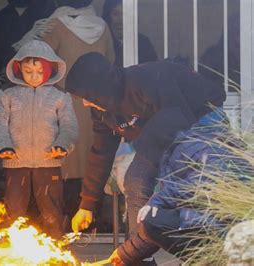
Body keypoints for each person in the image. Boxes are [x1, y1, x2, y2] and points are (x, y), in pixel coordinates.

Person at [66, 52, 226, 262]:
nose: (85, 104)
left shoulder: (147, 80)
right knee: (135, 180)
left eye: (87, 96)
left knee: (154, 181)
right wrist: (87, 204)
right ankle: (138, 257)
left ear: (100, 89)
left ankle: (198, 254)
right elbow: (101, 152)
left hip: (200, 119)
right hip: (162, 131)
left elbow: (178, 121)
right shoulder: (102, 110)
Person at [106, 110, 251, 265]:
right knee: (155, 219)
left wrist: (159, 200)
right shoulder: (176, 151)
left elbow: (201, 184)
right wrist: (126, 253)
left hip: (229, 231)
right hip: (217, 227)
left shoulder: (194, 146)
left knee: (153, 220)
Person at [13, 0, 114, 182]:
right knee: (93, 163)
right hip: (98, 104)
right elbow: (111, 63)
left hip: (63, 104)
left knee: (62, 166)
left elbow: (35, 64)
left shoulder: (53, 26)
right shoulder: (103, 27)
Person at [0, 40, 78, 237]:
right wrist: (3, 146)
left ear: (50, 70)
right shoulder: (7, 95)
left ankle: (56, 248)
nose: (34, 77)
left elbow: (69, 126)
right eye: (28, 71)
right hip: (15, 162)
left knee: (52, 210)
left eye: (39, 72)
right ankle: (9, 250)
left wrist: (62, 145)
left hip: (49, 162)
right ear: (18, 68)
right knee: (13, 209)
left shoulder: (60, 96)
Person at [102, 0, 158, 67]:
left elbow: (154, 70)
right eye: (115, 14)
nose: (121, 20)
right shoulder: (103, 42)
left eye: (125, 13)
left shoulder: (143, 42)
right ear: (108, 16)